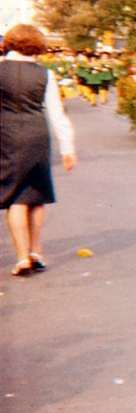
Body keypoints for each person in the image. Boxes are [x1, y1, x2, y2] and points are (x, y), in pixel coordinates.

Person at [1, 24, 77, 276]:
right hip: (37, 135)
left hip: (7, 137)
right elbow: (57, 113)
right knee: (35, 193)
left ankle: (22, 258)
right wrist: (67, 148)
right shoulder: (46, 74)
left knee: (15, 198)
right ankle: (36, 252)